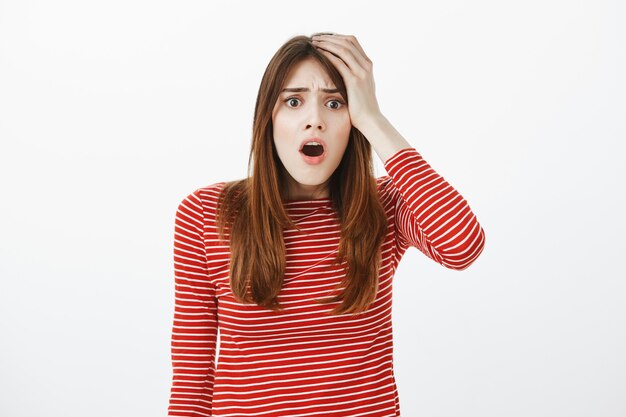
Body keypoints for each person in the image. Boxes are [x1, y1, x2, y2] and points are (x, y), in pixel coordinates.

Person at [167, 32, 486, 417]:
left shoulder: (384, 203)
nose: (314, 121)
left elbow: (463, 246)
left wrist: (373, 118)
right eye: (294, 101)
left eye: (335, 103)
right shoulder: (206, 213)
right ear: (268, 117)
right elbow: (192, 381)